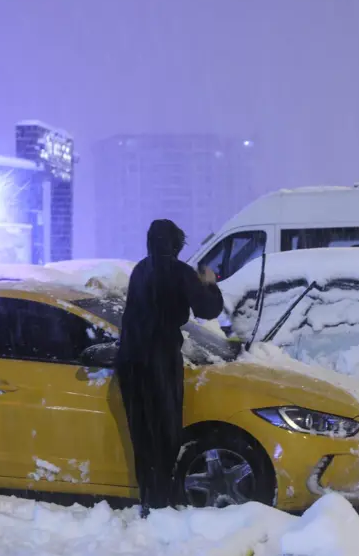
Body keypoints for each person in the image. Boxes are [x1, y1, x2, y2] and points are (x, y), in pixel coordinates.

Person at [114, 219, 224, 518]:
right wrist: (210, 283)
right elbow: (207, 310)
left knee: (142, 433)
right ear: (175, 245)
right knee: (165, 431)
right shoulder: (179, 272)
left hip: (130, 361)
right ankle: (160, 503)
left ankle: (148, 497)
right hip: (159, 360)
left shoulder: (140, 270)